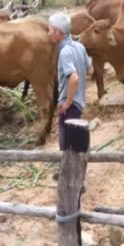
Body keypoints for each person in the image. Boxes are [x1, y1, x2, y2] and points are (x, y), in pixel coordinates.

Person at [48, 12, 90, 150]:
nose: (48, 33)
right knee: (74, 143)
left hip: (70, 106)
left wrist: (67, 102)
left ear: (57, 32)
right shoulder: (80, 46)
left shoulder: (65, 52)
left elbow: (74, 78)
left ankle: (67, 171)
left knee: (66, 146)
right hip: (80, 103)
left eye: (50, 30)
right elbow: (91, 70)